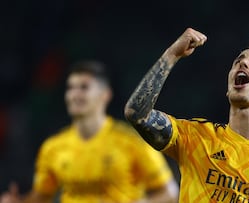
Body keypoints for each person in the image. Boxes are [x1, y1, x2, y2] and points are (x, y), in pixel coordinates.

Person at [124, 28, 249, 203]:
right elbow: (137, 114)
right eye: (239, 60)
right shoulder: (195, 138)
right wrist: (172, 54)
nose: (243, 63)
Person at [0, 60, 179, 203]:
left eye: (84, 87)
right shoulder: (53, 147)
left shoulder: (130, 142)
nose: (75, 94)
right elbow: (42, 196)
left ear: (105, 94)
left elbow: (169, 193)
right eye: (70, 88)